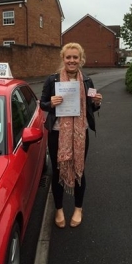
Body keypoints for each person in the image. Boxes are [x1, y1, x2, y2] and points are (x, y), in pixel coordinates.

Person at [40, 42, 102, 228]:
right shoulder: (53, 80)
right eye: (69, 57)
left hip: (80, 134)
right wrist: (50, 103)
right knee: (58, 171)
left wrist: (97, 102)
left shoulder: (87, 81)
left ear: (81, 59)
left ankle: (78, 208)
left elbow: (91, 107)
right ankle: (59, 209)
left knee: (79, 170)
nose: (72, 60)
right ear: (63, 58)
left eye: (75, 57)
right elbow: (42, 103)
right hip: (58, 134)